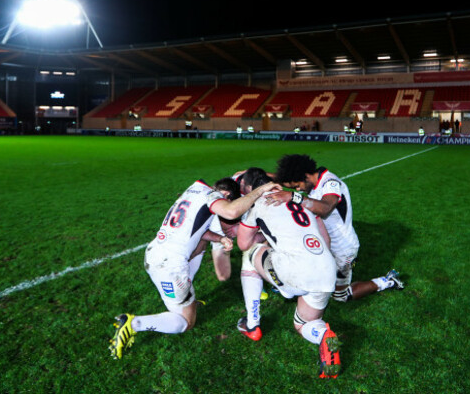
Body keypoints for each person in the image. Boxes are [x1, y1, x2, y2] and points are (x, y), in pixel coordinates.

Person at [109, 177, 280, 360]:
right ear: (226, 195)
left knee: (201, 244)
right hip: (170, 266)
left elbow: (198, 229)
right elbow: (231, 212)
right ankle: (133, 324)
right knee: (186, 322)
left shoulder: (195, 189)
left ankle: (186, 297)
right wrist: (261, 190)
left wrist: (219, 238)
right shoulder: (212, 196)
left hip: (157, 253)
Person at [236, 169, 342, 378]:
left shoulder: (256, 205)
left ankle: (252, 324)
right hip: (326, 269)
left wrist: (264, 237)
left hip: (293, 271)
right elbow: (326, 241)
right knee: (302, 324)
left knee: (249, 254)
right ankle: (323, 335)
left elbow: (243, 243)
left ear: (249, 188)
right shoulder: (301, 201)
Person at [266, 154, 403, 306]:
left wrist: (294, 196)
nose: (298, 189)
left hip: (342, 250)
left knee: (340, 296)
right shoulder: (309, 180)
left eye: (297, 186)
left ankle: (387, 281)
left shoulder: (330, 183)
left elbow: (325, 208)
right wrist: (252, 173)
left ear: (305, 175)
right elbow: (280, 178)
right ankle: (291, 285)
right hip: (323, 244)